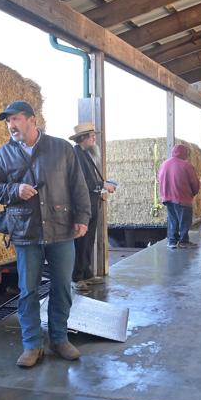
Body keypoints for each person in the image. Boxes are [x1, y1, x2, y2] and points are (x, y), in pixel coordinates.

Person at [0, 101, 91, 367]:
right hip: (25, 230)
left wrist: (82, 217)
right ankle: (32, 344)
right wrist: (14, 191)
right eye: (8, 121)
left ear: (32, 120)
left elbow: (78, 185)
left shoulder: (62, 148)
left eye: (16, 119)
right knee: (28, 290)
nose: (11, 126)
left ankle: (59, 338)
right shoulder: (2, 155)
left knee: (62, 287)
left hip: (61, 227)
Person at [69, 122, 116, 290]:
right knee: (81, 241)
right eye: (91, 136)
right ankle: (76, 277)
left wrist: (102, 184)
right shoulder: (76, 155)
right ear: (83, 138)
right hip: (83, 205)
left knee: (89, 240)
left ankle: (86, 273)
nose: (94, 138)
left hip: (92, 202)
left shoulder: (86, 154)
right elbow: (82, 182)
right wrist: (103, 184)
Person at [158, 144, 201, 249]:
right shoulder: (186, 165)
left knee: (173, 220)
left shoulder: (164, 164)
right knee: (185, 221)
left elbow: (159, 179)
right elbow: (194, 183)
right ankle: (183, 241)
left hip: (168, 198)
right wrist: (193, 193)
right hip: (182, 198)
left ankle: (172, 241)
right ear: (185, 153)